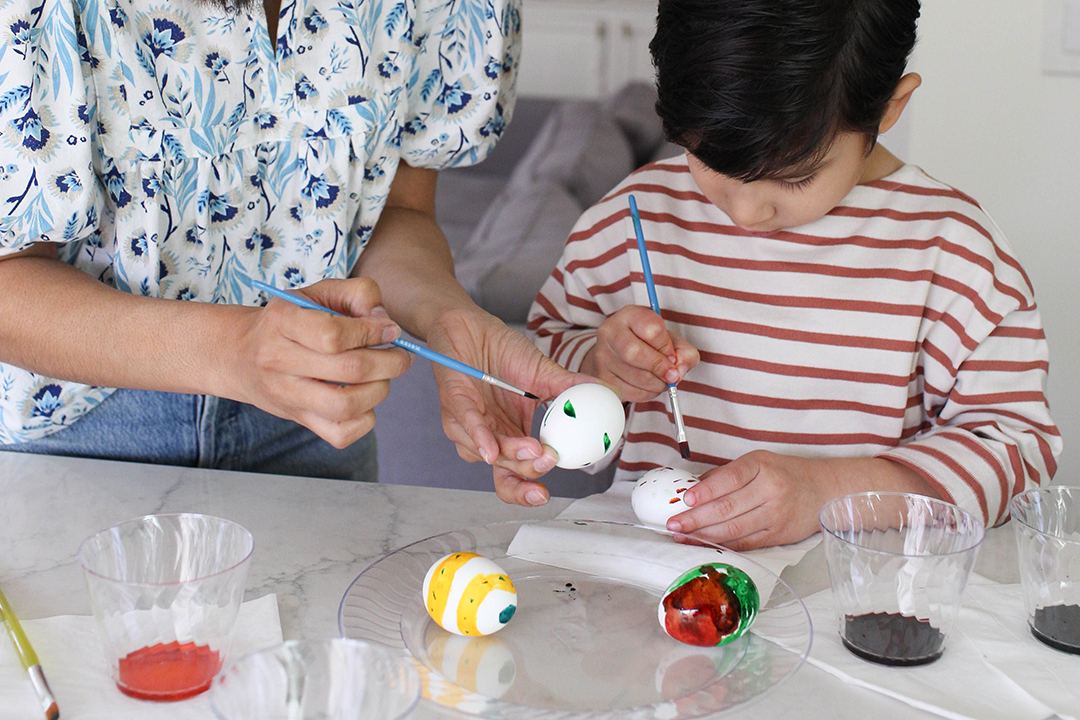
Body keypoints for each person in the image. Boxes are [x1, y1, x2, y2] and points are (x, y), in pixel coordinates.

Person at [528, 0, 1062, 548]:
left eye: (793, 178)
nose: (744, 212)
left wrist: (831, 492)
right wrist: (598, 366)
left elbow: (1018, 455)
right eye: (709, 161)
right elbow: (536, 367)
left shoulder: (954, 253)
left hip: (859, 603)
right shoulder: (633, 217)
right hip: (650, 586)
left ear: (888, 107)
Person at [0, 0, 570, 502]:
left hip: (316, 432)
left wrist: (454, 319)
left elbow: (398, 216)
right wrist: (236, 352)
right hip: (75, 441)